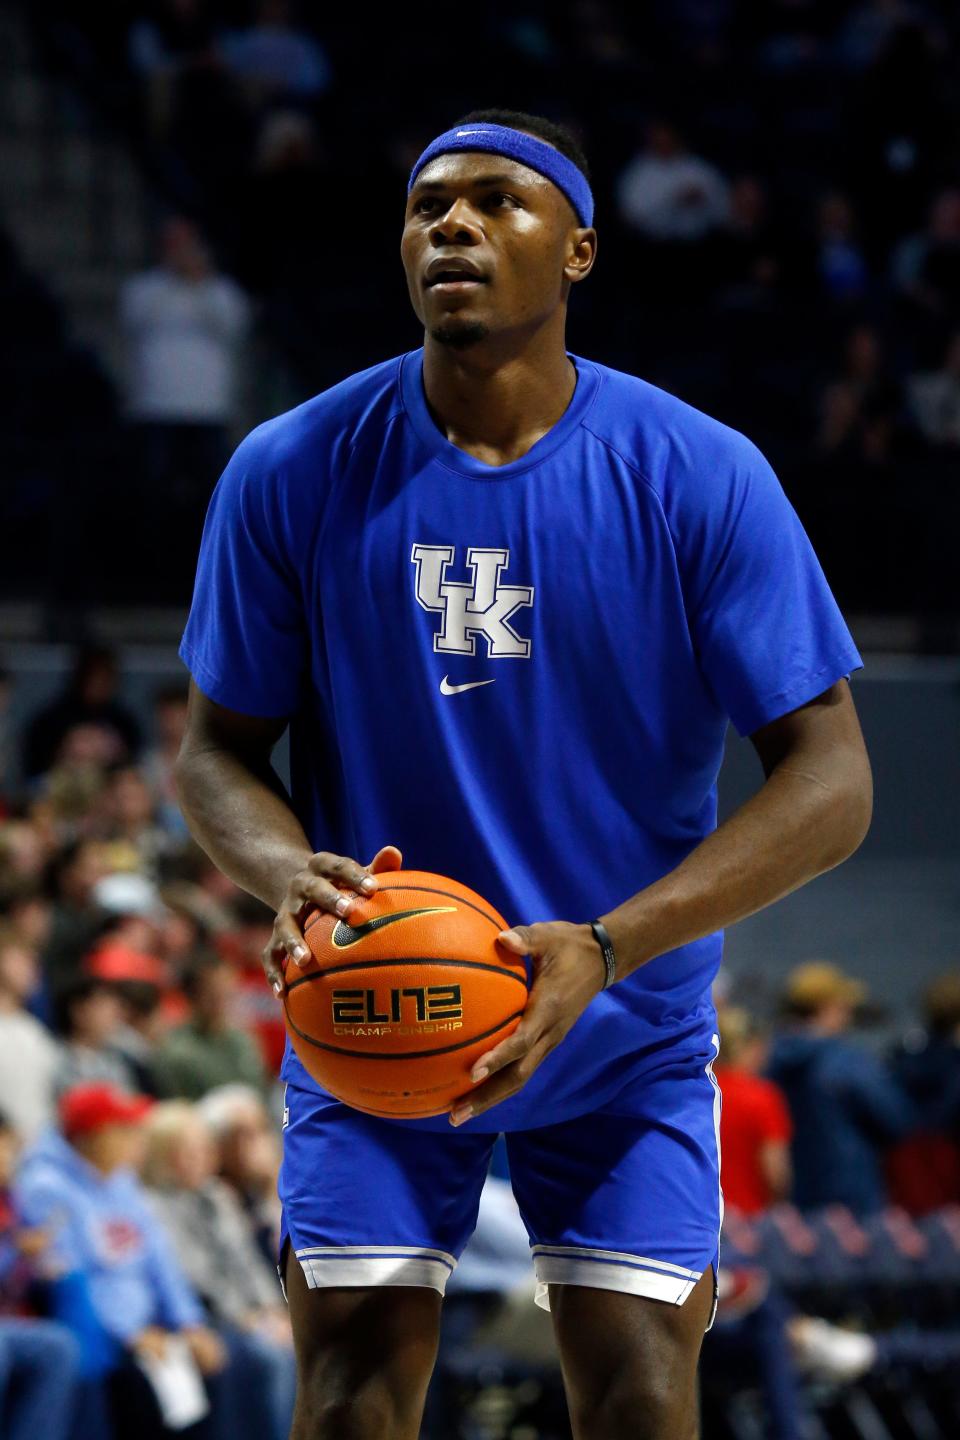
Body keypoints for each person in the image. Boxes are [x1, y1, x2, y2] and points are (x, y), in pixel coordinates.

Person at [174, 108, 872, 1440]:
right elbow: (213, 752)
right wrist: (285, 874)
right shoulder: (290, 469)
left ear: (581, 250)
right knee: (350, 1393)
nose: (452, 226)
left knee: (638, 1400)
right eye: (428, 205)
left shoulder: (700, 475)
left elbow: (833, 779)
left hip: (622, 1020)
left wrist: (612, 945)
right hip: (381, 1005)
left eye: (499, 202)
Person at [769, 961, 914, 1215]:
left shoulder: (767, 1060)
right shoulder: (846, 1061)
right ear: (827, 1009)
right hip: (851, 1196)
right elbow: (896, 1119)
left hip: (792, 1198)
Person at [153, 950, 269, 1101]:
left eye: (228, 991)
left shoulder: (244, 1040)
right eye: (213, 994)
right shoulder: (177, 1051)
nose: (223, 999)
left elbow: (261, 1091)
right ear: (192, 996)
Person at [714, 1007, 793, 1216]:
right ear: (753, 1046)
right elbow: (775, 1171)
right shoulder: (762, 1096)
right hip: (750, 1218)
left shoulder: (699, 1092)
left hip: (703, 1214)